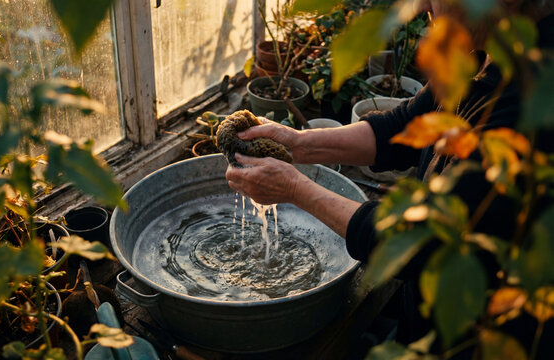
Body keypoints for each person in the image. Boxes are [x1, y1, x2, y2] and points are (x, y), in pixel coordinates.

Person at [226, 0, 554, 356]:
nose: (423, 5)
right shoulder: (485, 50)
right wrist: (299, 144)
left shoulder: (534, 104)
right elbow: (405, 126)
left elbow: (426, 240)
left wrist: (295, 189)